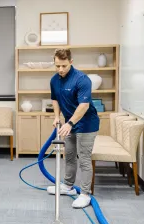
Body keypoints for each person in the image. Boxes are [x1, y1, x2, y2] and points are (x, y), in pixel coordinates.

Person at [46, 48, 100, 209]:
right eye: (57, 66)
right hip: (70, 123)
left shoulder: (82, 79)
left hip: (87, 124)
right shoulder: (54, 80)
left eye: (63, 65)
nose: (60, 70)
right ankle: (68, 186)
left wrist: (69, 123)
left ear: (71, 62)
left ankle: (84, 194)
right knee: (69, 156)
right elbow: (54, 99)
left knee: (83, 158)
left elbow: (84, 106)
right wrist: (57, 117)